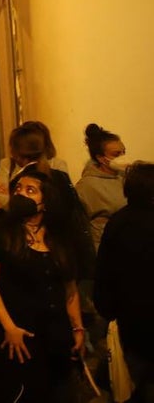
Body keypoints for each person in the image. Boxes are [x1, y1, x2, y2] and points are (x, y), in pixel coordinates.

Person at [0, 168, 84, 403]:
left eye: (30, 190)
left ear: (46, 201)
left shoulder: (59, 237)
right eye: (18, 189)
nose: (21, 194)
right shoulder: (2, 233)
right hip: (20, 335)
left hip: (55, 336)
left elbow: (70, 287)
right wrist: (9, 326)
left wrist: (77, 328)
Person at [95, 162, 154, 402]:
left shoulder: (118, 222)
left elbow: (104, 272)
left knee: (132, 383)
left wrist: (108, 311)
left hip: (130, 320)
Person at [75, 122, 129, 249]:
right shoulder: (87, 186)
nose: (122, 157)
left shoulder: (124, 177)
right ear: (100, 158)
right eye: (116, 154)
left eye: (123, 152)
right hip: (104, 247)